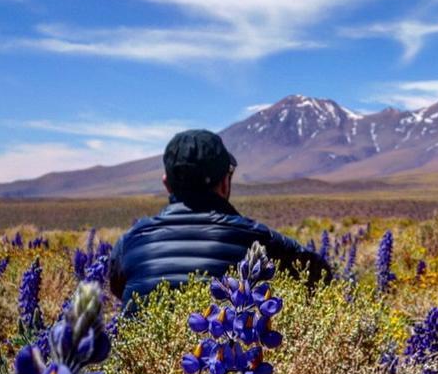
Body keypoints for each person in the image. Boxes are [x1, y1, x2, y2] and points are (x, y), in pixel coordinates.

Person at [109, 129, 331, 308]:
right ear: (225, 182)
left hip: (141, 361)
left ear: (166, 183)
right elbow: (322, 278)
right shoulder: (260, 240)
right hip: (235, 361)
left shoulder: (129, 242)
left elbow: (118, 291)